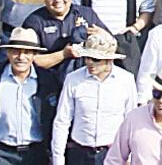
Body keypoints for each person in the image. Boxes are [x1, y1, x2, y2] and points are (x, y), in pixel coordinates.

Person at [0, 27, 57, 164]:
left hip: (36, 153)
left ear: (34, 55)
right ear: (8, 52)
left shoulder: (48, 80)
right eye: (16, 51)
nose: (21, 57)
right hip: (0, 152)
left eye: (27, 52)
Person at [50, 31, 137, 165]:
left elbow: (130, 122)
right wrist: (58, 160)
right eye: (87, 57)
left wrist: (130, 158)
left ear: (109, 60)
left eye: (96, 59)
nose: (89, 62)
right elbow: (62, 121)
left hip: (113, 154)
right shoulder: (73, 79)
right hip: (79, 153)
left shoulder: (126, 80)